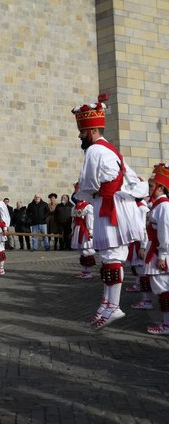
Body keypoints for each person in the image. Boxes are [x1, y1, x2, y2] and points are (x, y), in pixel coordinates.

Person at [73, 93, 148, 329]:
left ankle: (114, 306)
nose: (80, 135)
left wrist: (91, 194)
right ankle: (107, 303)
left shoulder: (94, 151)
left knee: (112, 257)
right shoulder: (111, 150)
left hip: (110, 206)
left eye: (82, 131)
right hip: (114, 204)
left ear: (93, 130)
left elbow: (87, 183)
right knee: (109, 258)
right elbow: (133, 178)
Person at [139, 163, 169, 334]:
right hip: (155, 249)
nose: (149, 189)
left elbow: (165, 233)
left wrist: (163, 255)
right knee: (161, 288)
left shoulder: (164, 206)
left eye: (151, 186)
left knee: (163, 288)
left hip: (159, 252)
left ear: (160, 188)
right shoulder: (158, 205)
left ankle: (167, 324)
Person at [70, 186, 96, 279]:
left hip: (84, 230)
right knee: (81, 251)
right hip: (77, 230)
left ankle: (88, 271)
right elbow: (73, 220)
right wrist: (72, 230)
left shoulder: (88, 206)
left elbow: (90, 219)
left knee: (87, 250)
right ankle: (84, 270)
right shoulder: (75, 206)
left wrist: (91, 230)